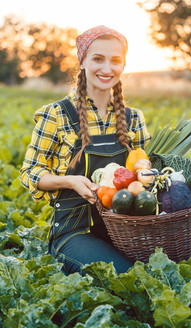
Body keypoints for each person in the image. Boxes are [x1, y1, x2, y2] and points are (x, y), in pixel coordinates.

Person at [20, 25, 151, 275]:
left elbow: (144, 172)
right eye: (98, 59)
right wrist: (70, 182)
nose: (107, 68)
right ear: (82, 62)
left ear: (123, 65)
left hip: (126, 231)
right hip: (73, 232)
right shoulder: (57, 114)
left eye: (115, 60)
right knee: (128, 277)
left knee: (159, 272)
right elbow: (30, 172)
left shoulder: (134, 118)